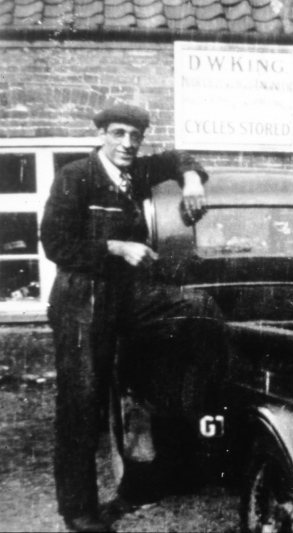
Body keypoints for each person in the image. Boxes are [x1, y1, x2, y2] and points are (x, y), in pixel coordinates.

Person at [41, 104, 225, 532]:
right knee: (81, 403)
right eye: (119, 134)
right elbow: (54, 243)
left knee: (198, 311)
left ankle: (188, 432)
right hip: (81, 299)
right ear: (103, 134)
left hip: (126, 295)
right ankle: (80, 511)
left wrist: (193, 180)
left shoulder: (136, 172)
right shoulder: (76, 176)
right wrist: (116, 247)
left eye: (135, 137)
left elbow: (180, 157)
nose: (127, 144)